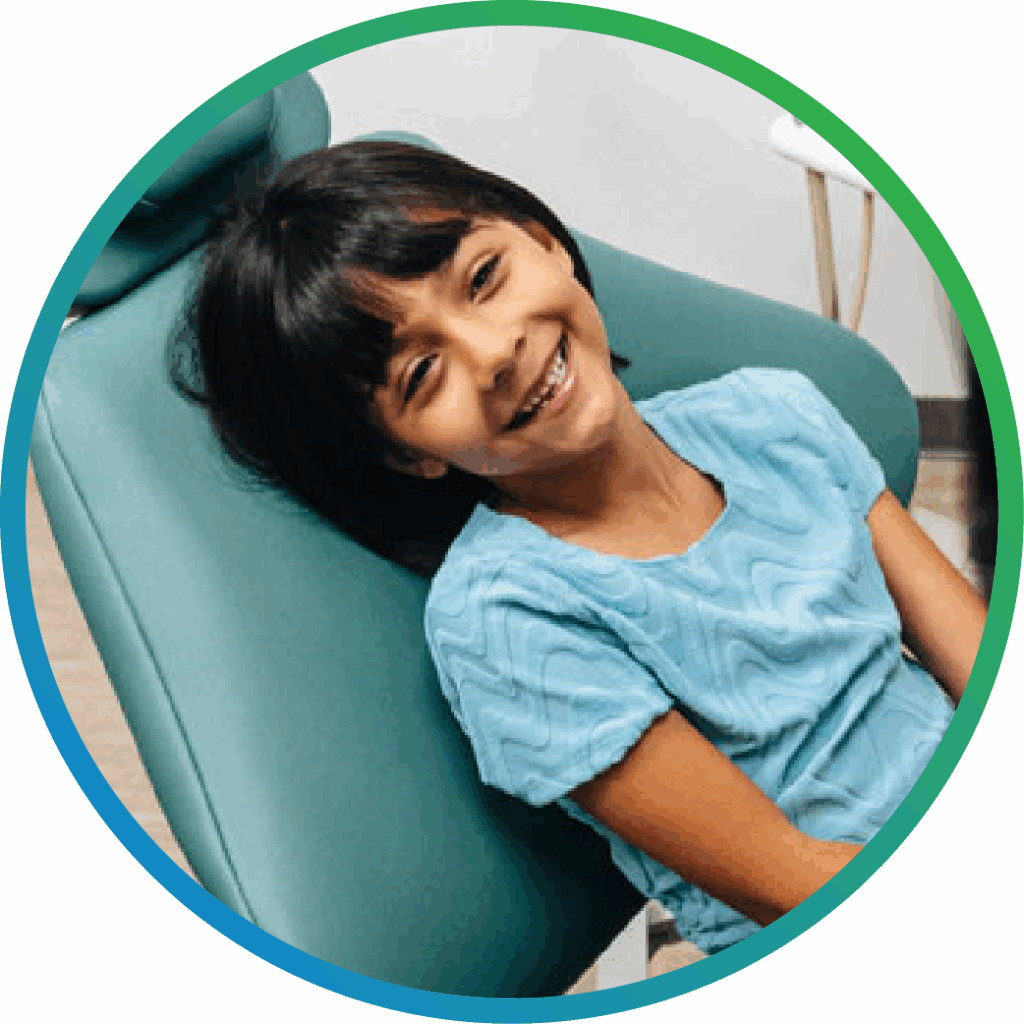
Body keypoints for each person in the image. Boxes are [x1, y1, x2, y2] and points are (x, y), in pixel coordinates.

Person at [190, 140, 987, 956]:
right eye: (423, 375)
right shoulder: (509, 619)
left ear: (547, 241)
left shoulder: (775, 416)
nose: (495, 351)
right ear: (405, 452)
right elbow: (797, 882)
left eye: (483, 279)